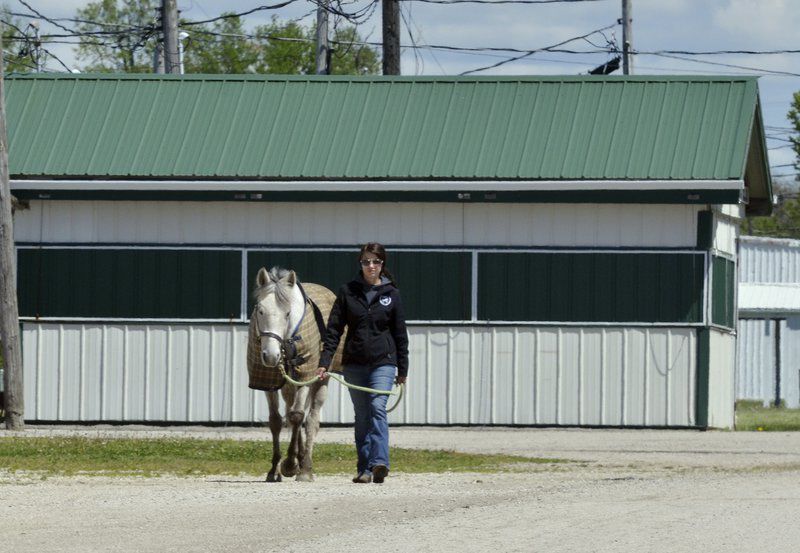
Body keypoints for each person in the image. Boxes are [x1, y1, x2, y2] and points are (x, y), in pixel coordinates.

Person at [317, 242, 409, 484]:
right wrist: (324, 363)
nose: (371, 266)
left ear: (382, 264)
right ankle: (364, 468)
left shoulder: (392, 294)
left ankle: (380, 462)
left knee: (378, 407)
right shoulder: (348, 292)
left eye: (375, 261)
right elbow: (334, 331)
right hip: (354, 363)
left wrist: (403, 368)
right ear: (361, 263)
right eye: (366, 261)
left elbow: (400, 334)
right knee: (362, 416)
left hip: (383, 362)